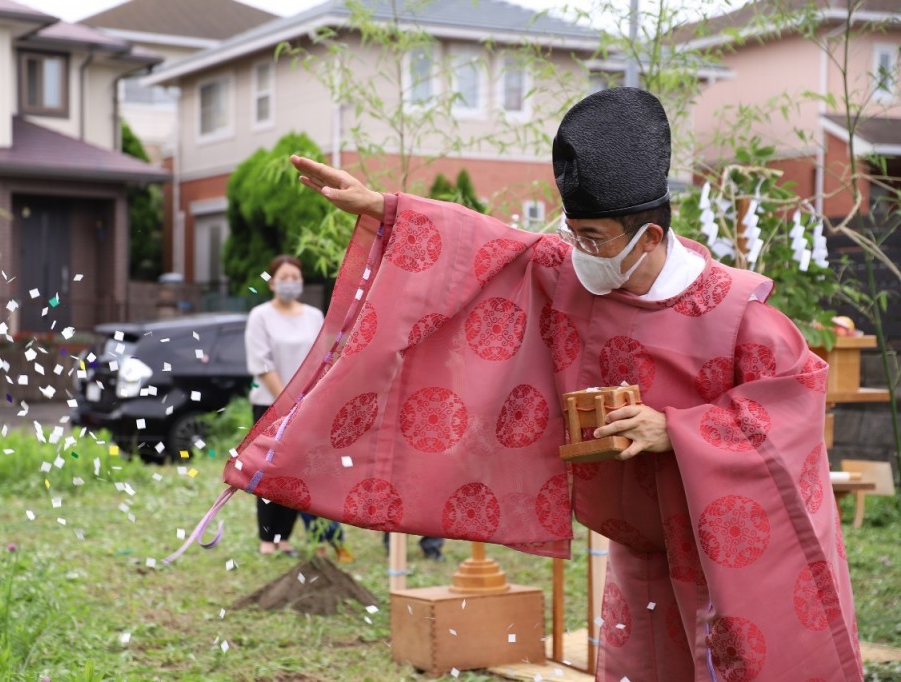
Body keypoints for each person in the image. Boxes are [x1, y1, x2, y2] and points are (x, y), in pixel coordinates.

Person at [229, 87, 860, 680]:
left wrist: (677, 430)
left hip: (724, 548)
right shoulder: (576, 277)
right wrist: (383, 210)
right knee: (639, 663)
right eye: (574, 234)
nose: (578, 250)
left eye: (593, 238)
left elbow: (793, 407)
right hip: (638, 543)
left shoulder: (738, 313)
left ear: (650, 238)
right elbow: (487, 249)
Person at [244, 254, 352, 562]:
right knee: (267, 472)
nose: (290, 283)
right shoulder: (260, 316)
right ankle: (267, 538)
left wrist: (311, 400)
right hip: (270, 405)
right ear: (272, 282)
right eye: (284, 277)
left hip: (308, 407)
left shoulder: (314, 316)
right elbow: (262, 364)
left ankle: (285, 538)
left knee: (294, 472)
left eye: (295, 277)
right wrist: (286, 401)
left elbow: (324, 358)